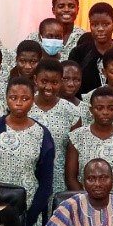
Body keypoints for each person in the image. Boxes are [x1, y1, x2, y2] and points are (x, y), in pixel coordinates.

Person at [0, 77, 55, 226]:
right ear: (6, 98)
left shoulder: (42, 134)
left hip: (29, 207)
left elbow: (46, 183)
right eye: (13, 98)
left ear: (33, 100)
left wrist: (29, 220)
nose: (19, 103)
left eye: (25, 98)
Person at [68, 87, 113, 195]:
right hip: (83, 199)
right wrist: (85, 199)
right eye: (99, 108)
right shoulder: (77, 136)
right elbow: (71, 177)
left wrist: (111, 200)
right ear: (91, 110)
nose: (105, 112)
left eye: (111, 108)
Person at [31, 59, 80, 195]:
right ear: (35, 80)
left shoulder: (72, 112)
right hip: (29, 178)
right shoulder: (25, 106)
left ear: (61, 82)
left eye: (54, 82)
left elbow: (74, 155)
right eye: (44, 81)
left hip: (58, 181)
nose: (49, 87)